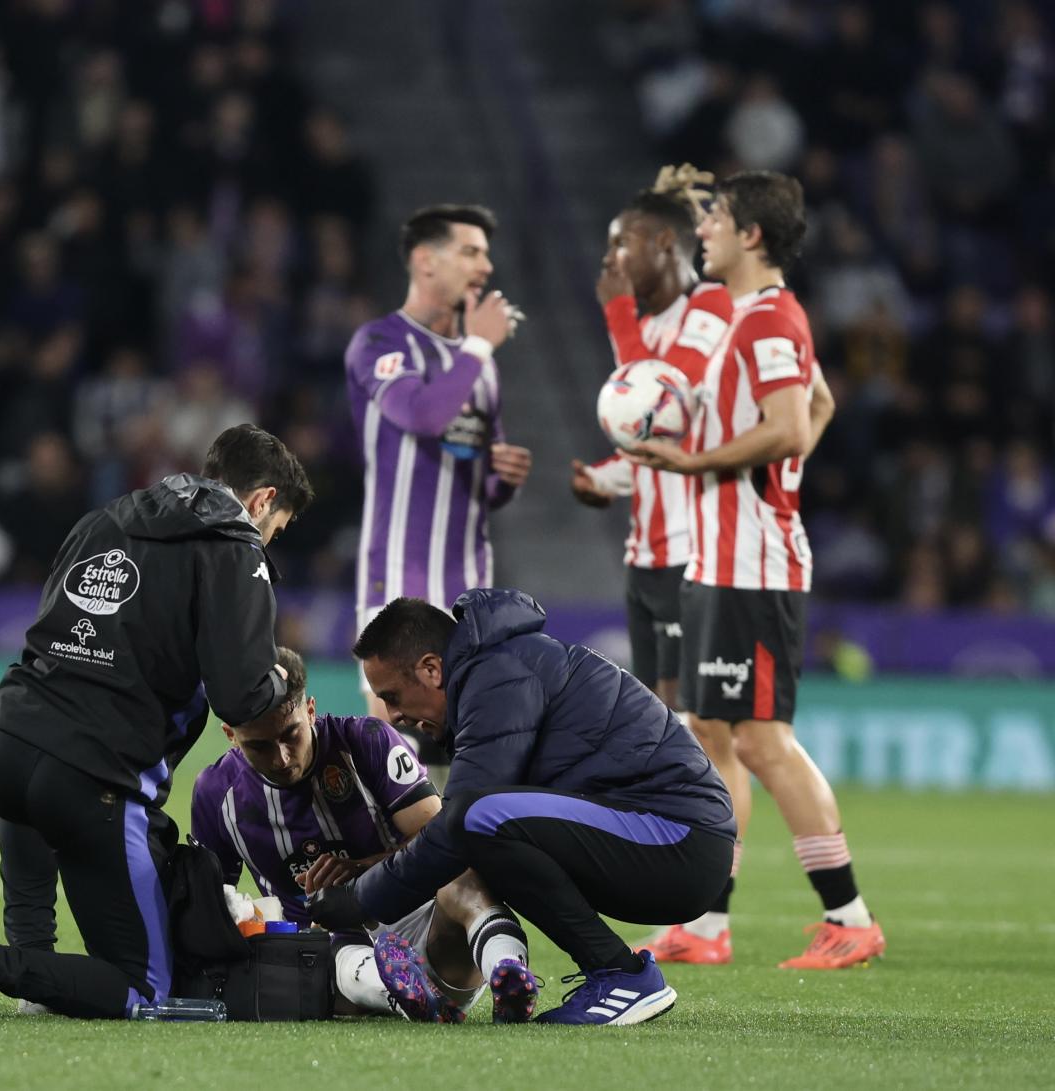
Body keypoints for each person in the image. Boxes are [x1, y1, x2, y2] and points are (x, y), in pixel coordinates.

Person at [0, 424, 313, 1021]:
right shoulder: (235, 547)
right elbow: (241, 696)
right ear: (261, 501)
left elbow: (49, 627)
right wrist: (282, 678)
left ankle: (33, 979)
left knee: (35, 796)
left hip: (6, 744)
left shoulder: (108, 518)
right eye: (274, 530)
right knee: (142, 990)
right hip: (91, 776)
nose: (267, 542)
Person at [629, 170, 882, 971]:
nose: (705, 232)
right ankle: (706, 924)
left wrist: (695, 460)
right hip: (718, 559)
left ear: (754, 238)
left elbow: (787, 430)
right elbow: (821, 406)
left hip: (756, 563)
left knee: (764, 741)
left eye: (717, 220)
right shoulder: (753, 317)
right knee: (711, 738)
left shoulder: (771, 321)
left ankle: (850, 916)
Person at [308, 591, 736, 1026]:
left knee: (479, 821)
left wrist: (361, 901)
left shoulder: (498, 673)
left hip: (677, 839)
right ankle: (598, 971)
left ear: (432, 669)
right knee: (484, 832)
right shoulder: (499, 668)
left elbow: (463, 821)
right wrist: (375, 876)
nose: (394, 715)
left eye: (394, 696)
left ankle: (620, 974)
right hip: (668, 840)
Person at [192, 647, 535, 1024]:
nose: (283, 758)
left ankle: (507, 966)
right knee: (328, 926)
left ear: (310, 710)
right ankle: (400, 991)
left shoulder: (367, 740)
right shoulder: (215, 794)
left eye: (292, 735)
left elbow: (442, 841)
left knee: (458, 869)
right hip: (325, 964)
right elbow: (214, 906)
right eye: (260, 746)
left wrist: (362, 870)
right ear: (230, 735)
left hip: (430, 934)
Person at [343, 204, 531, 754]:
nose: (486, 266)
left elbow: (483, 480)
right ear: (425, 261)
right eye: (471, 251)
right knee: (399, 752)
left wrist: (505, 478)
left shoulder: (482, 365)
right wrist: (477, 345)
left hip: (469, 585)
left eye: (486, 253)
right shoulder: (380, 343)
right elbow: (422, 416)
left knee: (470, 746)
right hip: (397, 575)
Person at [570, 165, 732, 712]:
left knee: (697, 722)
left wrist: (617, 312)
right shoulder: (649, 330)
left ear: (665, 242)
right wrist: (603, 479)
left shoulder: (711, 305)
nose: (610, 257)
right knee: (661, 722)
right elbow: (647, 438)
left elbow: (668, 399)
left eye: (623, 241)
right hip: (646, 550)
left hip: (694, 549)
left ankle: (719, 802)